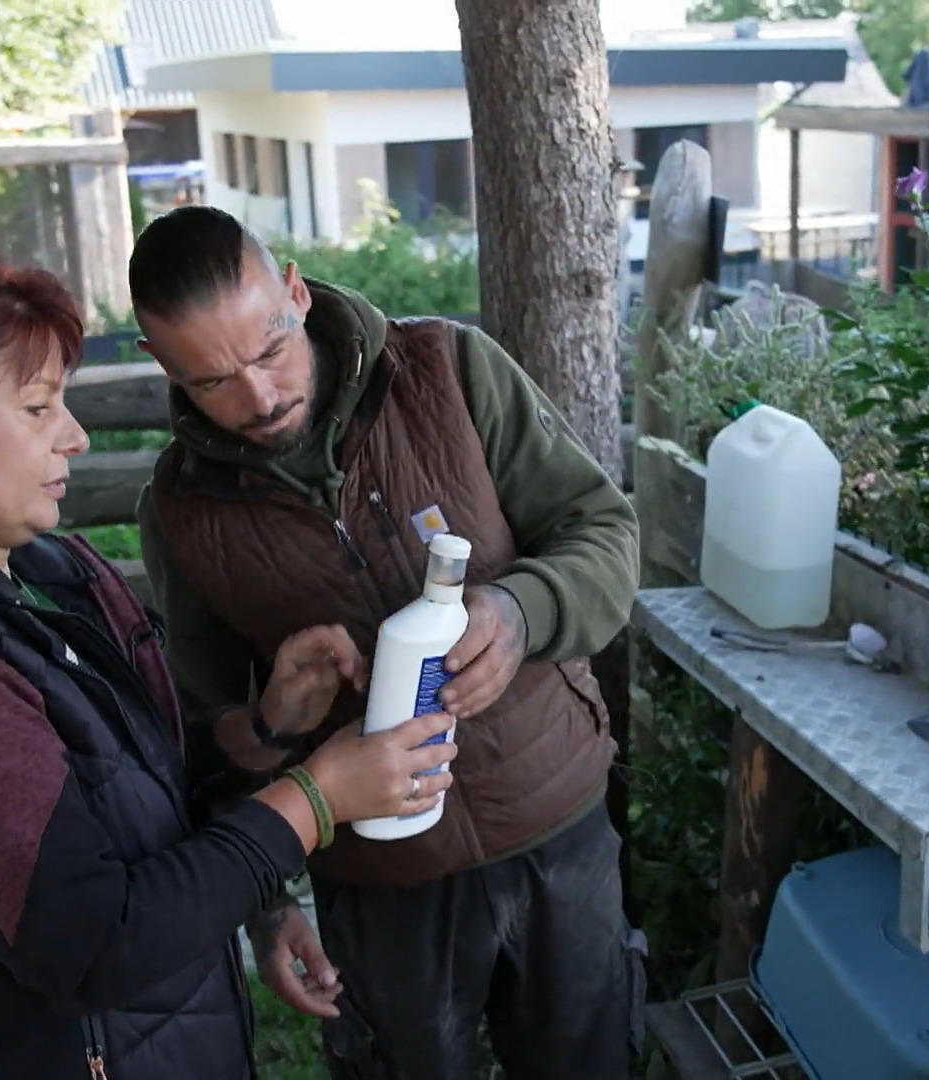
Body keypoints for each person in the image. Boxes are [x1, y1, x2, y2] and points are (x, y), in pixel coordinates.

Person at [0, 210, 458, 1080]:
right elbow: (96, 941)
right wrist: (313, 799)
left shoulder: (53, 571)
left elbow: (147, 802)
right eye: (36, 407)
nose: (72, 434)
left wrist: (265, 736)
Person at [129, 205, 644, 1079]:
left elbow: (604, 529)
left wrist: (521, 613)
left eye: (269, 349)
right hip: (380, 882)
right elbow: (202, 740)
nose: (259, 398)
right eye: (212, 381)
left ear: (293, 290)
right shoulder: (181, 515)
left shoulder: (446, 370)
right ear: (160, 364)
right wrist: (274, 723)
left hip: (558, 828)